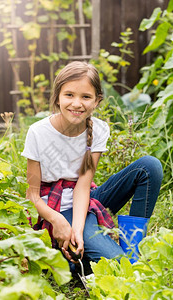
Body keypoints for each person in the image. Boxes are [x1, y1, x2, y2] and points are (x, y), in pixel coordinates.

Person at [21, 61, 163, 268]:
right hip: (55, 206)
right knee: (118, 264)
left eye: (86, 97)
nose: (77, 104)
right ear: (57, 97)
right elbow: (32, 196)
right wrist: (58, 220)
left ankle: (132, 247)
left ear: (96, 101)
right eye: (69, 95)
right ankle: (80, 261)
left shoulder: (99, 129)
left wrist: (78, 229)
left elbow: (83, 186)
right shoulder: (38, 132)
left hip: (85, 199)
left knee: (149, 167)